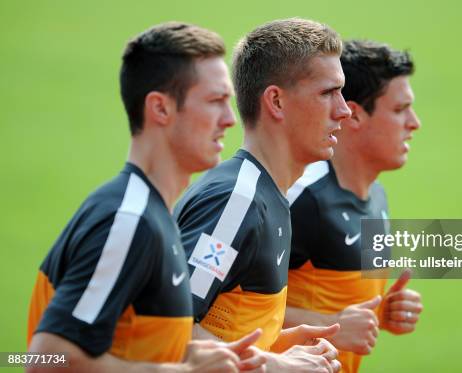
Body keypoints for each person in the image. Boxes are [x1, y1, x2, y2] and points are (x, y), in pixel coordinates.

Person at [26, 22, 265, 372]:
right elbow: (38, 359)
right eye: (216, 101)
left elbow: (131, 345)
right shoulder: (129, 221)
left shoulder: (154, 216)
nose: (230, 119)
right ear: (161, 109)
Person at [174, 18, 352, 372]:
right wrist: (273, 366)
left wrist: (277, 344)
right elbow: (163, 328)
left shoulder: (270, 196)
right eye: (327, 93)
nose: (344, 109)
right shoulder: (236, 203)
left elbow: (217, 325)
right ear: (276, 101)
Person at [284, 39, 424, 373]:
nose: (415, 122)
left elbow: (335, 301)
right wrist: (331, 323)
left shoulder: (377, 197)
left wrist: (380, 314)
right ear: (356, 116)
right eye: (400, 109)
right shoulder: (302, 198)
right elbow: (224, 308)